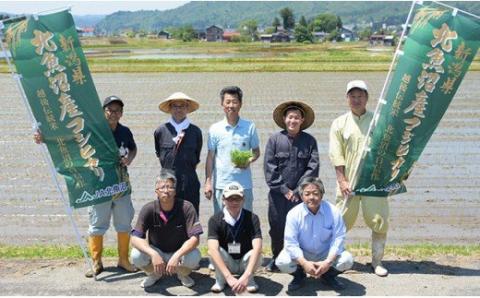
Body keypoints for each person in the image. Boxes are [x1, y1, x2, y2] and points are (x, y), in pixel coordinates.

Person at [35, 95, 138, 278]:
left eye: (117, 110)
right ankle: (96, 262)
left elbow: (133, 148)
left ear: (121, 113)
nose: (113, 113)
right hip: (98, 186)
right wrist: (45, 138)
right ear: (103, 112)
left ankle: (123, 259)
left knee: (124, 223)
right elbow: (67, 140)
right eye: (110, 110)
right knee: (97, 224)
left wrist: (129, 157)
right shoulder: (92, 131)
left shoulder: (125, 131)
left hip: (121, 185)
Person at [328, 80, 389, 277]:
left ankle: (377, 261)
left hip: (374, 182)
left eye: (360, 96)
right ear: (347, 99)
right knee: (341, 220)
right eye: (352, 96)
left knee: (378, 220)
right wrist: (342, 180)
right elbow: (336, 154)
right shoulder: (339, 123)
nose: (356, 100)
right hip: (349, 182)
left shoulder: (378, 120)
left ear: (367, 98)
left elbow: (389, 149)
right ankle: (335, 259)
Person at [263, 100, 319, 272]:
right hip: (278, 196)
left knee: (302, 228)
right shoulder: (274, 140)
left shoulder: (310, 141)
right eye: (289, 117)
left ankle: (301, 261)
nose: (292, 121)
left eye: (296, 118)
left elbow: (313, 168)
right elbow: (269, 168)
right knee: (277, 227)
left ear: (302, 120)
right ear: (284, 119)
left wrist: (297, 191)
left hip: (301, 196)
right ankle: (277, 257)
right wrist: (284, 190)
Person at [276, 177, 354, 292]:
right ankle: (299, 276)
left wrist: (328, 262)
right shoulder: (293, 214)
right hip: (303, 254)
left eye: (315, 193)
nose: (311, 197)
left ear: (322, 194)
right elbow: (290, 243)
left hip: (325, 254)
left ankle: (327, 276)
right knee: (282, 262)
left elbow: (338, 239)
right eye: (307, 194)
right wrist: (304, 263)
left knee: (347, 260)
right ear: (302, 196)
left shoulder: (333, 212)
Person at [130, 169, 203, 288]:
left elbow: (195, 239)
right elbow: (135, 238)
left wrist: (177, 255)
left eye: (170, 187)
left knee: (195, 255)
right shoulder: (148, 209)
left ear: (175, 191)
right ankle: (155, 274)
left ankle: (182, 274)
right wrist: (153, 254)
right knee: (136, 255)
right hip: (157, 250)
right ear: (156, 192)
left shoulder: (187, 207)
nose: (166, 191)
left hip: (179, 251)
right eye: (162, 188)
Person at [204, 86, 260, 213]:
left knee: (245, 223)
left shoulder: (250, 127)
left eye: (235, 102)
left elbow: (256, 152)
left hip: (244, 184)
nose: (231, 105)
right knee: (221, 223)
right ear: (222, 104)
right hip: (221, 184)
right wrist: (208, 182)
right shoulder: (215, 129)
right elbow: (210, 157)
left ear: (240, 104)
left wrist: (249, 160)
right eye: (227, 102)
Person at [207, 182, 263, 294]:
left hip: (244, 261)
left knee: (256, 252)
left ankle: (249, 279)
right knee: (213, 251)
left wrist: (246, 275)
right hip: (227, 261)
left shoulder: (252, 218)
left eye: (238, 198)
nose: (234, 202)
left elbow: (258, 247)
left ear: (243, 199)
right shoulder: (214, 220)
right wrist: (229, 277)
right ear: (223, 200)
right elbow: (212, 249)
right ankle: (221, 279)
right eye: (230, 199)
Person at [154, 92, 202, 214]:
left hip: (189, 181)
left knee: (191, 216)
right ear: (169, 108)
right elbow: (159, 154)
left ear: (187, 108)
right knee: (165, 218)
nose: (178, 109)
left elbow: (196, 157)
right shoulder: (160, 131)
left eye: (182, 106)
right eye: (175, 106)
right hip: (166, 181)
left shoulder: (195, 132)